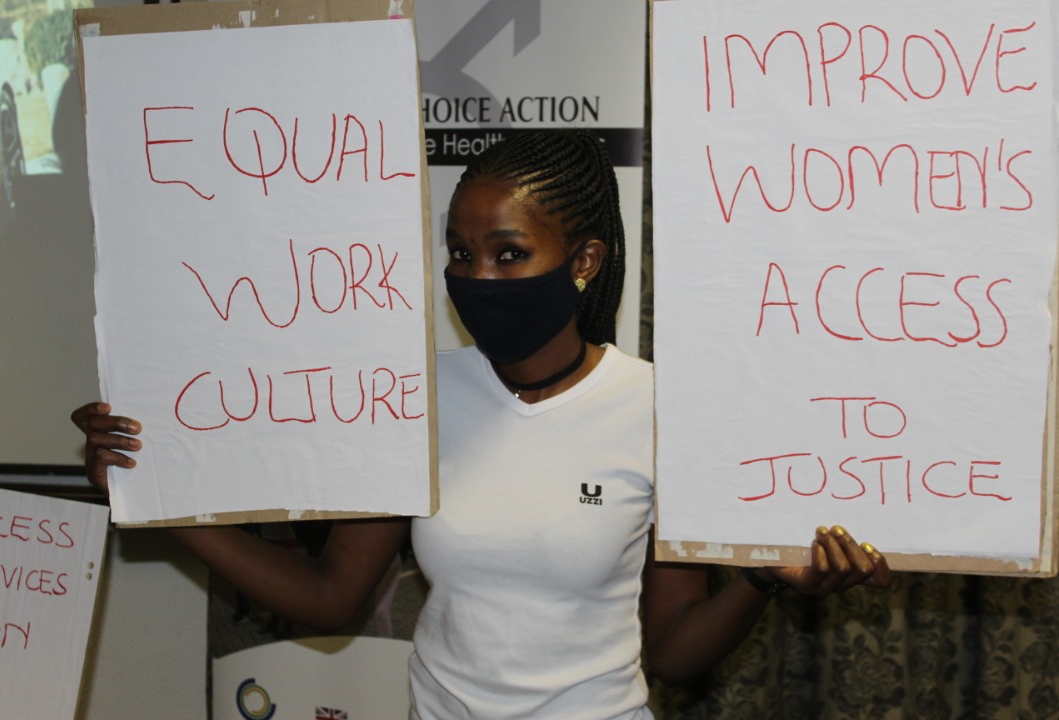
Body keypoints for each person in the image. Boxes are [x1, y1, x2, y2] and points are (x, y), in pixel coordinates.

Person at [72, 128, 891, 720]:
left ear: (584, 261)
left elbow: (673, 649)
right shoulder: (414, 396)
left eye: (507, 254)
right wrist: (154, 495)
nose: (477, 277)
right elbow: (331, 597)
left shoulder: (658, 408)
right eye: (460, 254)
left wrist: (759, 582)